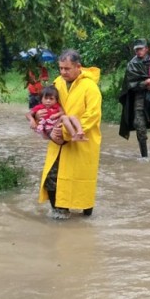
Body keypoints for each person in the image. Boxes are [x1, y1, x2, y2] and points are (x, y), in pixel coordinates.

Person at [36, 49, 102, 219]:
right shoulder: (58, 83)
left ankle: (86, 213)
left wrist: (65, 131)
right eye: (61, 68)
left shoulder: (90, 87)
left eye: (67, 68)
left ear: (78, 66)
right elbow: (50, 105)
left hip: (82, 140)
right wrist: (40, 117)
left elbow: (92, 116)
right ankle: (58, 212)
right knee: (52, 176)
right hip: (57, 139)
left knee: (82, 180)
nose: (63, 72)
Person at [118, 38, 150, 158]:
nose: (138, 51)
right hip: (139, 98)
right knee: (139, 126)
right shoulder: (132, 65)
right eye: (137, 49)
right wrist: (146, 82)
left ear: (146, 49)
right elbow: (130, 84)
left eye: (141, 49)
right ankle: (144, 157)